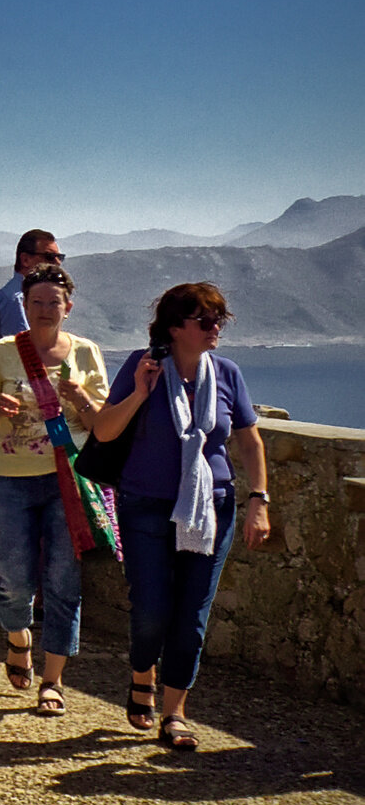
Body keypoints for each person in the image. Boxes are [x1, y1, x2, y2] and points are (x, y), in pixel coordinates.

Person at [90, 282, 271, 753]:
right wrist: (140, 393)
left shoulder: (227, 374)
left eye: (219, 321)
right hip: (147, 504)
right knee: (151, 611)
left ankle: (174, 714)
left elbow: (250, 441)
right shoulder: (142, 366)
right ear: (175, 328)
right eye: (206, 321)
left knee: (191, 616)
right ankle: (140, 675)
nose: (216, 329)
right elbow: (105, 431)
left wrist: (259, 499)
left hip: (212, 507)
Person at [0, 263, 108, 715]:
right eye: (37, 302)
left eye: (54, 303)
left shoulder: (86, 352)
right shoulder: (5, 353)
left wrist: (80, 397)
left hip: (68, 480)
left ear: (69, 306)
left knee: (64, 582)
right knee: (14, 581)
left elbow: (104, 425)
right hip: (10, 478)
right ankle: (18, 637)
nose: (45, 310)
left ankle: (54, 681)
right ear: (24, 306)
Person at [0, 229, 65, 353]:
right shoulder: (15, 300)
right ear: (25, 260)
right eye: (50, 257)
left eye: (60, 257)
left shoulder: (18, 297)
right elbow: (25, 354)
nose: (58, 263)